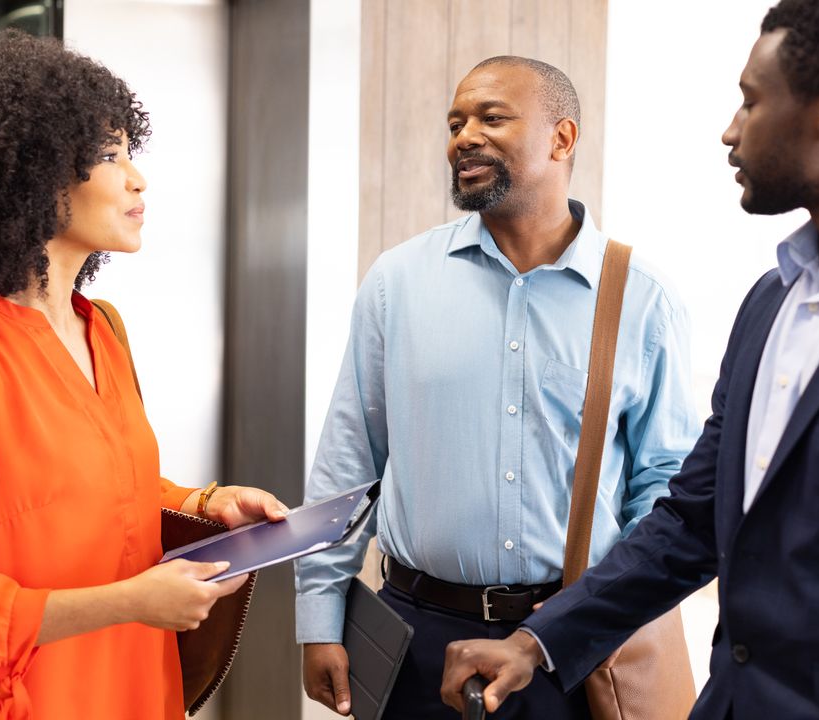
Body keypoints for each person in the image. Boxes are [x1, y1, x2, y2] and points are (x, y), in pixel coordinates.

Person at [440, 1, 819, 717]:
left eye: (750, 101)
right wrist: (536, 645)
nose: (730, 130)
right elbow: (691, 522)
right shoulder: (771, 304)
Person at [0, 30, 287, 719]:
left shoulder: (103, 330)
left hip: (135, 687)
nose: (137, 177)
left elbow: (96, 490)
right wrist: (131, 601)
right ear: (33, 178)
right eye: (110, 156)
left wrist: (206, 503)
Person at [296, 55, 700, 719]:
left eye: (491, 117)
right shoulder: (398, 282)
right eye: (456, 122)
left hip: (570, 646)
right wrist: (318, 613)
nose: (463, 136)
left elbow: (663, 486)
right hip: (415, 640)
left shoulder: (642, 300)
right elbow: (348, 465)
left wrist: (592, 617)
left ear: (561, 138)